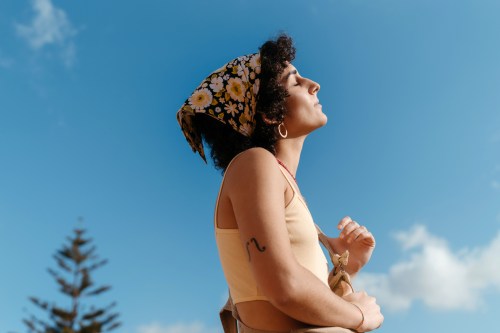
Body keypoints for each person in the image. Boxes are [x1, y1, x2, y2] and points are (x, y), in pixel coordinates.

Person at [176, 34, 384, 333]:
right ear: (270, 114)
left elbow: (295, 306)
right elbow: (284, 287)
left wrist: (346, 268)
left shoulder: (275, 177)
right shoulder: (255, 163)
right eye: (294, 81)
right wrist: (360, 315)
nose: (314, 84)